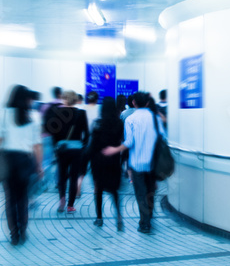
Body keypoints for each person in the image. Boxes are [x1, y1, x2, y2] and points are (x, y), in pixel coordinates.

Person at [0, 85, 43, 245]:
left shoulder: (3, 114)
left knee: (9, 199)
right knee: (23, 198)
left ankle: (14, 234)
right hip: (25, 160)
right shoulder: (33, 116)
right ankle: (23, 231)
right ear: (26, 99)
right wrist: (39, 166)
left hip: (8, 160)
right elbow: (37, 145)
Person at [103, 92, 165, 234]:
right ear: (148, 103)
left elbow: (129, 142)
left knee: (141, 193)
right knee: (150, 191)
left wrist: (115, 150)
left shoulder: (130, 119)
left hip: (137, 162)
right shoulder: (155, 118)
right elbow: (162, 137)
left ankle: (145, 223)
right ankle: (148, 218)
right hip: (153, 162)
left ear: (134, 103)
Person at [83, 97, 125, 230]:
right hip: (113, 160)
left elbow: (93, 144)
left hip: (98, 161)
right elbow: (122, 141)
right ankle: (118, 216)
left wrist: (85, 162)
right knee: (114, 190)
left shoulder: (97, 123)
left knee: (98, 189)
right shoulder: (119, 123)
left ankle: (99, 218)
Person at [46, 90, 89, 213]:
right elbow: (86, 133)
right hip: (76, 149)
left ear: (64, 99)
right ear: (75, 100)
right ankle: (70, 205)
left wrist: (56, 146)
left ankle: (62, 201)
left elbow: (53, 132)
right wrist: (83, 146)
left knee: (62, 176)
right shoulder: (81, 113)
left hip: (62, 149)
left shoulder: (57, 112)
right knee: (74, 177)